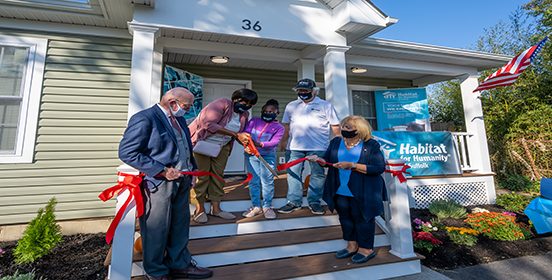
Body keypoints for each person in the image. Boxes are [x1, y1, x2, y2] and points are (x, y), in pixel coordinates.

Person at [118, 87, 213, 280]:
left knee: (180, 225)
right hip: (159, 183)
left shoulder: (179, 120)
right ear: (172, 103)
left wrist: (191, 170)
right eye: (186, 105)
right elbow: (127, 152)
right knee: (156, 228)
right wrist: (162, 170)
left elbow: (186, 147)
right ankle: (156, 272)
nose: (188, 109)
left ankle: (179, 265)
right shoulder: (145, 118)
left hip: (183, 180)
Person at [306, 115, 386, 264]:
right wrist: (319, 160)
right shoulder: (336, 142)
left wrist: (352, 165)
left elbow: (379, 168)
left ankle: (366, 249)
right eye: (343, 126)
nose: (343, 129)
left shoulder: (371, 145)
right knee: (345, 218)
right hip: (339, 189)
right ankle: (351, 246)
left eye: (348, 127)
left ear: (359, 130)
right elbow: (327, 161)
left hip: (363, 190)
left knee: (363, 218)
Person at [189, 88, 258, 224]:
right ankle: (199, 209)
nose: (247, 105)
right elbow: (208, 124)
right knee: (201, 176)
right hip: (203, 144)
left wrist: (249, 145)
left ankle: (216, 209)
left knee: (218, 176)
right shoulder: (222, 104)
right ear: (235, 99)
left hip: (223, 147)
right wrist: (236, 135)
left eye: (250, 104)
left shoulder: (244, 114)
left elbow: (240, 134)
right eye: (245, 101)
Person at [278, 78, 340, 215]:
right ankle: (294, 202)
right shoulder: (291, 105)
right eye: (300, 91)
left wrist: (337, 143)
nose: (302, 93)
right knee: (293, 174)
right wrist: (284, 141)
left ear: (314, 91)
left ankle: (314, 202)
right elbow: (287, 125)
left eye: (306, 91)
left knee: (317, 175)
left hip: (319, 147)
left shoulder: (325, 105)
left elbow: (335, 125)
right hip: (294, 147)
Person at [242, 99, 285, 219]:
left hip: (267, 156)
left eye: (271, 111)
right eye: (265, 111)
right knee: (253, 180)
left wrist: (259, 145)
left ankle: (267, 206)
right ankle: (256, 206)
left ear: (277, 113)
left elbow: (275, 142)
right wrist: (246, 146)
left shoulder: (279, 128)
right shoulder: (254, 121)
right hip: (251, 155)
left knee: (267, 181)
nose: (268, 113)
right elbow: (245, 134)